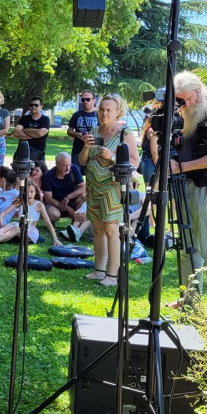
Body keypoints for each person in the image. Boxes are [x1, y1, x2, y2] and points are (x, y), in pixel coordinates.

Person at [151, 72, 207, 299]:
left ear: (199, 91)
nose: (186, 105)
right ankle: (189, 301)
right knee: (187, 246)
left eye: (188, 99)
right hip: (184, 185)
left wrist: (181, 167)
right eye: (180, 101)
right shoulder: (184, 112)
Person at [81, 95, 138, 288]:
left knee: (111, 229)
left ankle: (112, 275)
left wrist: (113, 157)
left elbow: (135, 163)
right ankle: (99, 270)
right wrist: (87, 148)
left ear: (117, 113)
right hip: (93, 186)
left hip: (112, 188)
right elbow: (82, 161)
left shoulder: (124, 133)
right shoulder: (94, 130)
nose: (104, 113)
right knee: (97, 229)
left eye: (108, 110)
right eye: (102, 109)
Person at [0, 183, 62, 248]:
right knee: (7, 227)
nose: (29, 194)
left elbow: (48, 223)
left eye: (31, 192)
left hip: (30, 230)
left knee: (17, 229)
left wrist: (55, 239)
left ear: (35, 192)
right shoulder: (20, 201)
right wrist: (0, 216)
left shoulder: (39, 205)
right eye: (27, 192)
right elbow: (5, 212)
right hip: (19, 225)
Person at [42, 152, 86, 226]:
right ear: (57, 164)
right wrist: (68, 209)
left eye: (69, 164)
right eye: (64, 165)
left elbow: (83, 187)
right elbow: (48, 199)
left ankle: (75, 225)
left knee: (84, 196)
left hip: (70, 201)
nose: (68, 168)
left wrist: (68, 197)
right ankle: (51, 225)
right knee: (54, 214)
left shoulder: (74, 168)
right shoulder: (48, 175)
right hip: (54, 203)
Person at [13, 96, 52, 162]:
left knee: (39, 171)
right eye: (31, 105)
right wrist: (34, 135)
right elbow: (16, 132)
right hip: (23, 151)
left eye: (36, 105)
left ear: (41, 106)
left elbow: (40, 133)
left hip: (39, 151)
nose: (33, 107)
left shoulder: (45, 119)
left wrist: (24, 130)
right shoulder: (24, 118)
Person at [66, 90, 99, 166]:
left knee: (91, 174)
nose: (85, 102)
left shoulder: (99, 114)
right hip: (77, 150)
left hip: (94, 150)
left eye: (88, 99)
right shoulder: (76, 114)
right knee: (76, 175)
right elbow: (69, 131)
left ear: (94, 100)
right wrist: (76, 134)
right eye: (83, 100)